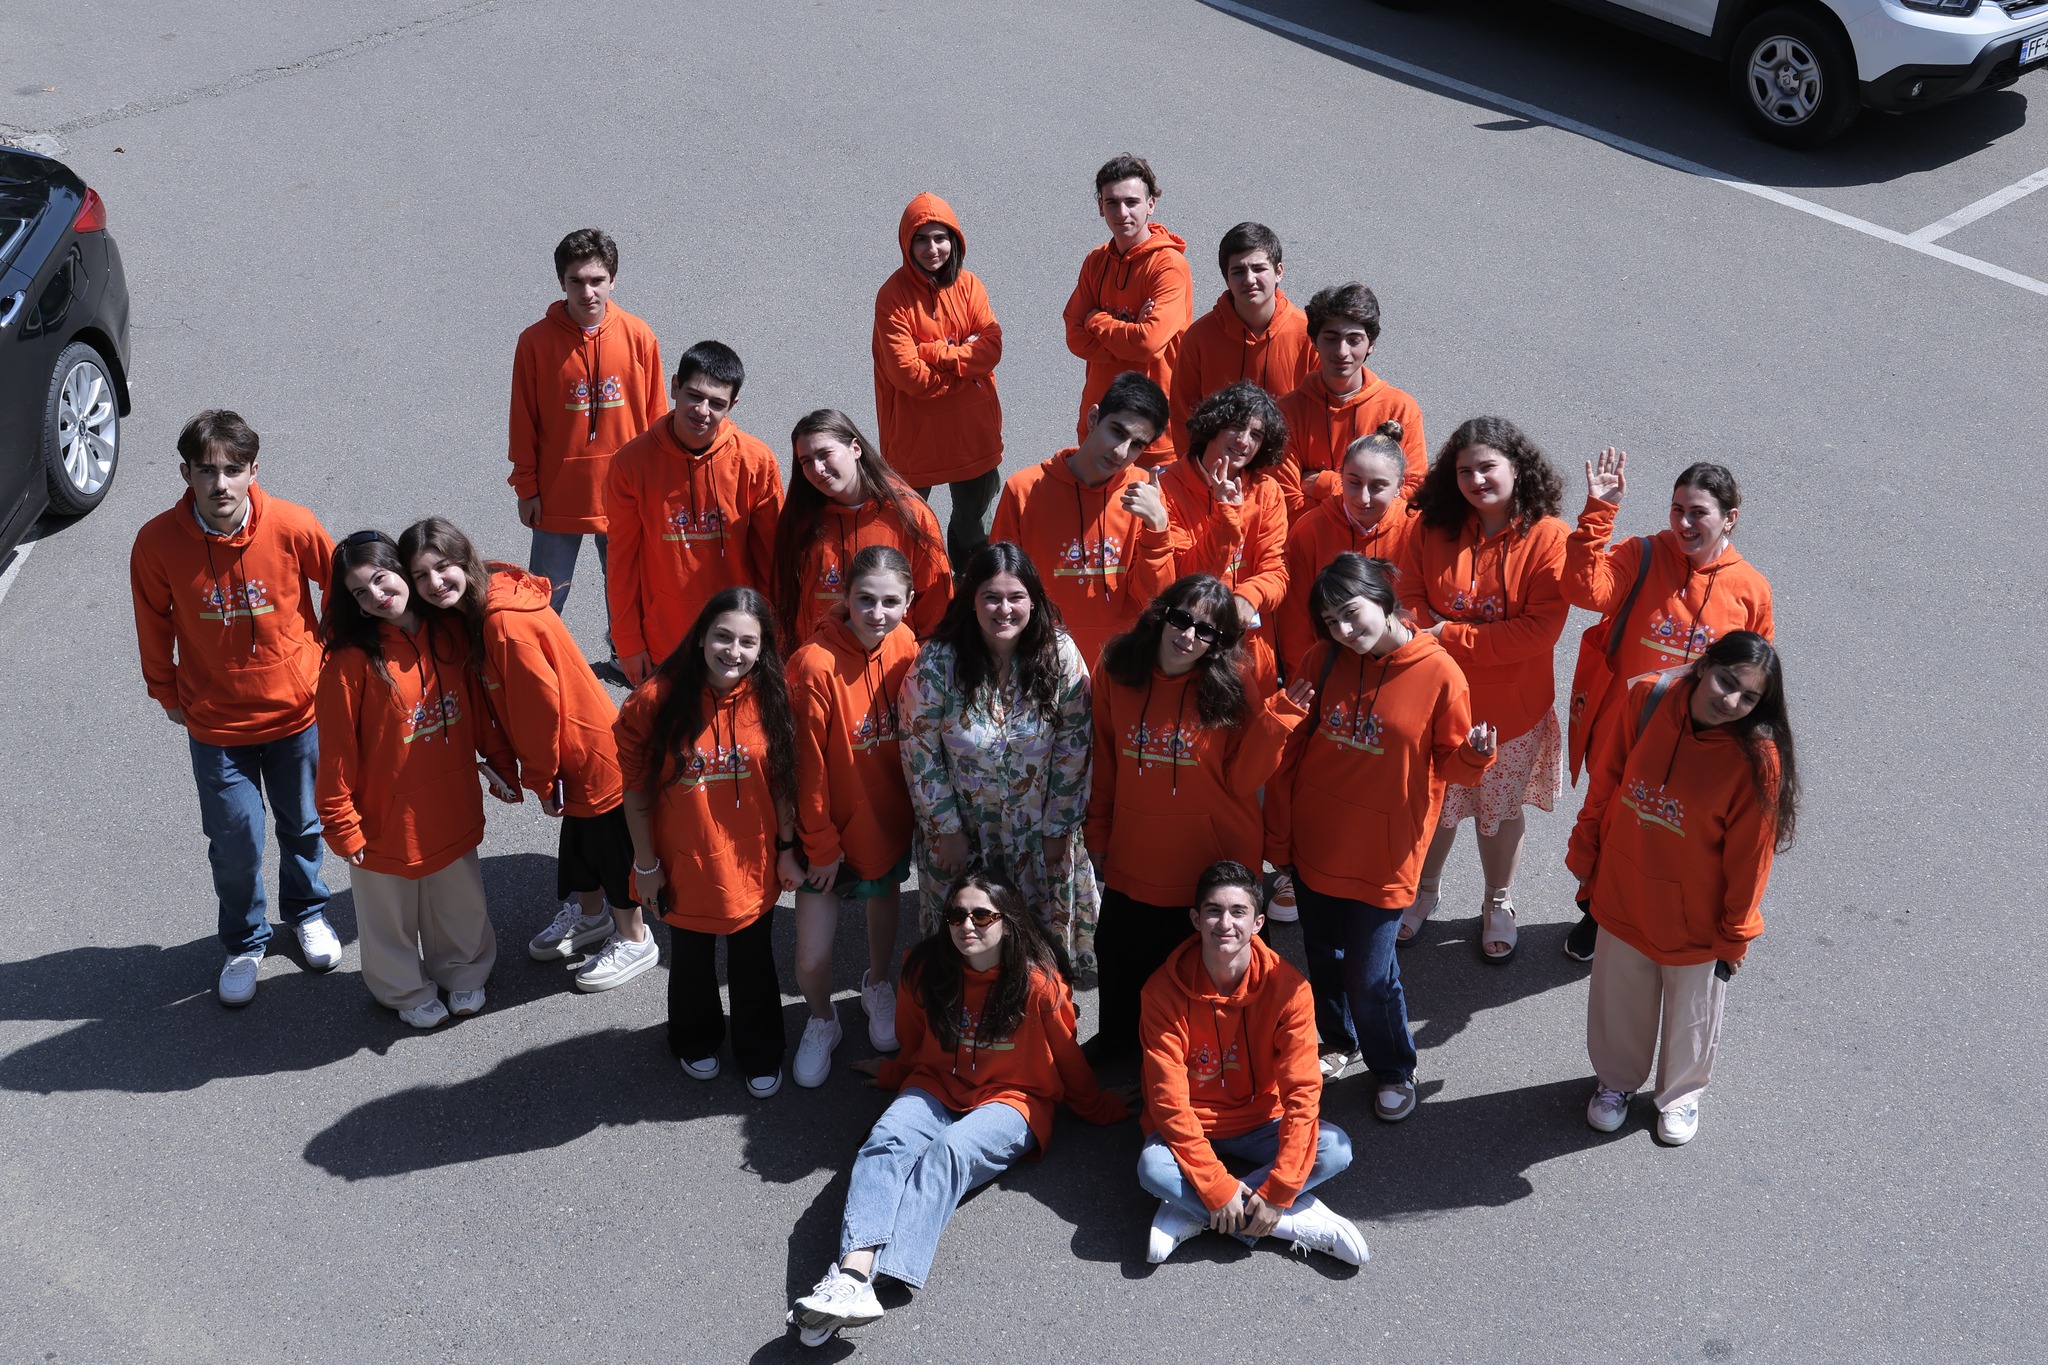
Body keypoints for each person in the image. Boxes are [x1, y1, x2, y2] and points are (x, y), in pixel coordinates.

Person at [787, 871, 1136, 1348]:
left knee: (949, 1153)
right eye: (956, 915)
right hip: (936, 1083)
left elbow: (1068, 1059)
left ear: (1008, 922)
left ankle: (874, 1279)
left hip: (1016, 1097)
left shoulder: (1038, 983)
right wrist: (894, 1074)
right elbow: (913, 1045)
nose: (966, 925)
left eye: (982, 916)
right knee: (884, 1143)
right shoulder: (924, 968)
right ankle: (851, 1279)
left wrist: (1101, 1107)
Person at [1266, 555, 1495, 1113]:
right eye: (1331, 621)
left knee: (1371, 975)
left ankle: (1394, 1067)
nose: (1344, 630)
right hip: (1317, 843)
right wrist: (1278, 839)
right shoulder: (1323, 659)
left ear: (1384, 599)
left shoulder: (1440, 673)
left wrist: (1475, 755)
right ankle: (1339, 1041)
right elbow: (1290, 753)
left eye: (1351, 613)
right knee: (1324, 957)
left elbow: (1453, 769)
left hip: (1384, 855)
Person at [129, 410, 341, 1005]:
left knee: (303, 824)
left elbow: (343, 585)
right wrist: (165, 691)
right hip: (216, 723)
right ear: (186, 474)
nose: (220, 484)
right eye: (206, 470)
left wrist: (333, 663)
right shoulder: (156, 542)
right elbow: (152, 622)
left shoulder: (294, 524)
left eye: (232, 470)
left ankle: (306, 912)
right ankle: (246, 941)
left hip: (297, 714)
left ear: (253, 471)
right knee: (236, 842)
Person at [400, 518, 656, 994]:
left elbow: (539, 710)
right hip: (569, 749)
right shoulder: (479, 608)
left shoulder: (503, 625)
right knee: (581, 839)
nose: (434, 583)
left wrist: (540, 778)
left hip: (584, 750)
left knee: (608, 843)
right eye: (420, 576)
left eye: (442, 567)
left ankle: (634, 937)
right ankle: (592, 916)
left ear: (465, 560)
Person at [1567, 633, 1798, 1146]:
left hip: (1697, 916)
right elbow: (1606, 780)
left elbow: (1751, 859)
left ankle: (1680, 1094)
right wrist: (1585, 852)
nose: (1731, 702)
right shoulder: (1649, 697)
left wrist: (1735, 933)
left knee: (1692, 1013)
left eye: (1749, 697)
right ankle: (1616, 1082)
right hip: (1625, 889)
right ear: (1703, 665)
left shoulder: (1757, 757)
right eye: (1726, 681)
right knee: (1618, 999)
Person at [1559, 450, 1775, 962]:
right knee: (1610, 820)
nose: (1684, 523)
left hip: (1698, 742)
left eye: (1699, 512)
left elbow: (1756, 676)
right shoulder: (1643, 554)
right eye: (1677, 509)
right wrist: (1599, 511)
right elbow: (1582, 590)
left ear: (1730, 518)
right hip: (1625, 726)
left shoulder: (1751, 591)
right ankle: (1596, 910)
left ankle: (1654, 920)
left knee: (1663, 836)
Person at [1086, 575, 1306, 1060]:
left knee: (1220, 975)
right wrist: (1097, 831)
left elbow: (1244, 779)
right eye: (1182, 619)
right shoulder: (1116, 668)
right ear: (1161, 613)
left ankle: (1226, 1062)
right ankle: (1123, 1053)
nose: (1189, 635)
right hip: (1137, 853)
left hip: (1213, 856)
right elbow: (1104, 758)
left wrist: (1276, 724)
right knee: (1120, 957)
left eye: (1206, 631)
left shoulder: (1231, 683)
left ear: (1219, 642)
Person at [315, 532, 520, 1028]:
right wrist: (340, 822)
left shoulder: (449, 631)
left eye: (380, 578)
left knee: (459, 898)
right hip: (382, 816)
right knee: (388, 913)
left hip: (450, 799)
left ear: (402, 570)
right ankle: (402, 988)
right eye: (360, 592)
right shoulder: (348, 663)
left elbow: (479, 706)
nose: (376, 595)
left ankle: (464, 970)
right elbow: (335, 753)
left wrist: (498, 761)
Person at [615, 587, 804, 1096]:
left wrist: (788, 849)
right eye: (723, 636)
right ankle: (693, 1038)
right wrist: (646, 866)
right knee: (691, 959)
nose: (733, 652)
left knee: (753, 960)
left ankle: (760, 1049)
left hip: (751, 860)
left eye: (748, 642)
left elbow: (783, 782)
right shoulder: (654, 701)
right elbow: (635, 794)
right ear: (700, 637)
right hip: (684, 862)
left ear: (762, 649)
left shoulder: (772, 696)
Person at [1136, 861, 1369, 1266]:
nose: (1225, 923)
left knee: (1336, 1149)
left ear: (1258, 922)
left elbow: (1302, 1092)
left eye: (1238, 912)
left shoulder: (1291, 990)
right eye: (1213, 910)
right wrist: (1218, 1188)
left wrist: (1278, 1190)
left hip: (1263, 1120)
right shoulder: (1161, 992)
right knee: (1152, 1167)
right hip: (1193, 1121)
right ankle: (1290, 1223)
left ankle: (1193, 1211)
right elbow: (1168, 1103)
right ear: (1196, 919)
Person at [1397, 417, 1569, 962]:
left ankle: (1498, 901)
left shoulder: (1549, 538)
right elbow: (1407, 597)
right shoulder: (1430, 526)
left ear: (1517, 468)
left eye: (1487, 467)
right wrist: (1441, 632)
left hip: (1510, 712)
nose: (1475, 480)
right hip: (1435, 701)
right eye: (1464, 470)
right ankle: (1423, 892)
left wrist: (1449, 634)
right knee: (1434, 808)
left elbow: (1539, 631)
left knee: (1498, 812)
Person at [900, 543, 1097, 969]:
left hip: (1038, 832)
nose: (1004, 609)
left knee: (1036, 951)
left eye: (1016, 597)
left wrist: (1059, 827)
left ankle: (1039, 1002)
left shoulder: (1060, 654)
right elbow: (919, 747)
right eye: (991, 597)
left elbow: (1076, 743)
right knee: (966, 951)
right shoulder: (937, 661)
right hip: (964, 834)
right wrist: (947, 829)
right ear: (971, 601)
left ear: (1034, 601)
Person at [788, 546, 922, 1089]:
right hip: (826, 838)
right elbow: (804, 769)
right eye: (865, 599)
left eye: (891, 601)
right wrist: (821, 844)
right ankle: (822, 1019)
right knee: (811, 958)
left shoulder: (907, 644)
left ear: (909, 601)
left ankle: (877, 984)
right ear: (844, 596)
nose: (877, 613)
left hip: (886, 822)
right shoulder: (812, 665)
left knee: (883, 908)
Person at [507, 227, 668, 615]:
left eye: (597, 280)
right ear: (561, 282)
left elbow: (657, 418)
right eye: (576, 281)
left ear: (614, 281)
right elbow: (523, 420)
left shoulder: (639, 335)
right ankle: (539, 654)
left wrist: (660, 485)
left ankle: (622, 649)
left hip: (626, 494)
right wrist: (526, 488)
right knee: (543, 601)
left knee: (628, 597)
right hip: (557, 495)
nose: (587, 292)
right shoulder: (535, 342)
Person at [605, 341, 783, 687]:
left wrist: (771, 633)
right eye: (694, 396)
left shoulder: (756, 462)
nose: (702, 411)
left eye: (717, 403)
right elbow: (622, 559)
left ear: (733, 405)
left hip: (736, 640)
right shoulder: (632, 462)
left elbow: (771, 559)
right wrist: (627, 642)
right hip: (664, 640)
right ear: (674, 386)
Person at [988, 370, 1175, 668]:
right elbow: (1000, 585)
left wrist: (1158, 529)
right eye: (1117, 432)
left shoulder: (1144, 496)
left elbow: (1155, 599)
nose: (1121, 452)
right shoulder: (1024, 489)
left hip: (1119, 659)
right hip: (1044, 656)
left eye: (1137, 445)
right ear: (1093, 418)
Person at [872, 191, 1005, 569]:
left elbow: (991, 348)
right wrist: (966, 369)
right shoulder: (892, 297)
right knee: (907, 531)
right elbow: (908, 376)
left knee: (974, 531)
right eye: (921, 239)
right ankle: (917, 596)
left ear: (954, 240)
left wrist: (933, 352)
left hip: (973, 436)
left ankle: (968, 594)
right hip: (914, 439)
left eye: (940, 237)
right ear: (906, 243)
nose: (932, 249)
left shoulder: (971, 285)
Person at [770, 408, 950, 650]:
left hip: (894, 662)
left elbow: (936, 600)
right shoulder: (800, 518)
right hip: (820, 662)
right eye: (806, 461)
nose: (817, 468)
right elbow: (784, 597)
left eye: (824, 454)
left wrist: (927, 660)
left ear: (856, 448)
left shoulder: (909, 514)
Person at [1159, 382, 1292, 692]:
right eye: (1236, 427)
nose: (1244, 441)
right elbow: (1187, 576)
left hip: (1249, 647)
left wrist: (1249, 596)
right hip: (1185, 641)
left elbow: (1277, 571)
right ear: (1213, 425)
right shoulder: (1166, 487)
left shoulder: (1267, 490)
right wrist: (1226, 514)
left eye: (1256, 435)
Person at [1062, 154, 1191, 463]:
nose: (1122, 213)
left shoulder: (1169, 266)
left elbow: (1147, 343)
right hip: (1099, 422)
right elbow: (1075, 338)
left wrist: (1097, 320)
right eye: (1112, 203)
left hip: (1152, 436)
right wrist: (1130, 335)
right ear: (1100, 207)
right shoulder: (1095, 261)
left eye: (1132, 202)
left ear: (1151, 204)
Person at [1277, 420, 1417, 679]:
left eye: (1378, 486)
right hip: (1331, 671)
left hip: (1401, 665)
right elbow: (1295, 622)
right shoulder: (1308, 531)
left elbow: (1419, 607)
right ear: (1340, 476)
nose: (1363, 498)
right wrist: (1307, 677)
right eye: (1354, 482)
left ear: (1400, 486)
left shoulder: (1417, 529)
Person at [1275, 283, 1426, 521]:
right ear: (1314, 341)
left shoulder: (1401, 408)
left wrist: (1325, 483)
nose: (1342, 351)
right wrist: (1374, 494)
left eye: (1354, 339)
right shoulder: (1287, 412)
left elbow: (1413, 496)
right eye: (1331, 338)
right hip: (1311, 542)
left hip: (1382, 543)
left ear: (1371, 344)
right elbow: (1284, 502)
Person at [1167, 222, 1314, 455]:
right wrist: (1195, 470)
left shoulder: (1308, 335)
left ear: (1279, 272)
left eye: (1258, 268)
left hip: (1288, 471)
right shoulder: (1199, 338)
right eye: (1238, 271)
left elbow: (1320, 413)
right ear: (1226, 278)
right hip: (1217, 470)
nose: (1249, 279)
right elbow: (1183, 415)